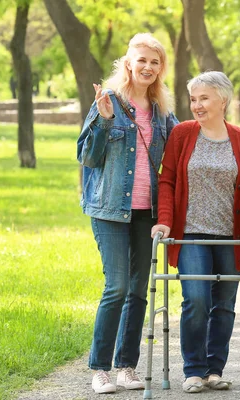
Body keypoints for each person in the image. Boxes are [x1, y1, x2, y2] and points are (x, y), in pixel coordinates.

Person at [77, 33, 178, 394]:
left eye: (155, 62)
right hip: (108, 210)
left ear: (160, 68)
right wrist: (103, 121)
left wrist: (236, 139)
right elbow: (87, 158)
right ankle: (100, 369)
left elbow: (190, 144)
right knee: (117, 287)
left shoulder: (164, 112)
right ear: (128, 64)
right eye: (142, 61)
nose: (148, 67)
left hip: (147, 213)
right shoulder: (109, 102)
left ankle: (126, 366)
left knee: (138, 291)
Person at [151, 71, 240, 394]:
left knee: (225, 304)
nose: (197, 105)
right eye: (193, 99)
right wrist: (165, 222)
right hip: (191, 235)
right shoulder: (183, 134)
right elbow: (168, 180)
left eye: (204, 98)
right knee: (196, 299)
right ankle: (194, 370)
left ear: (223, 100)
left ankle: (215, 369)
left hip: (229, 236)